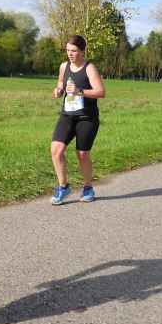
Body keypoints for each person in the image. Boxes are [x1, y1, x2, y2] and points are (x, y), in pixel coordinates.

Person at [49, 35, 106, 205]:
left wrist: (79, 91)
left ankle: (88, 187)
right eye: (68, 50)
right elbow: (61, 82)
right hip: (67, 115)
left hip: (87, 117)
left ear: (82, 51)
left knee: (82, 155)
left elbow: (101, 92)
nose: (70, 54)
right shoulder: (64, 66)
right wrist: (59, 91)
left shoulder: (90, 69)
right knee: (56, 151)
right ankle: (63, 187)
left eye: (74, 51)